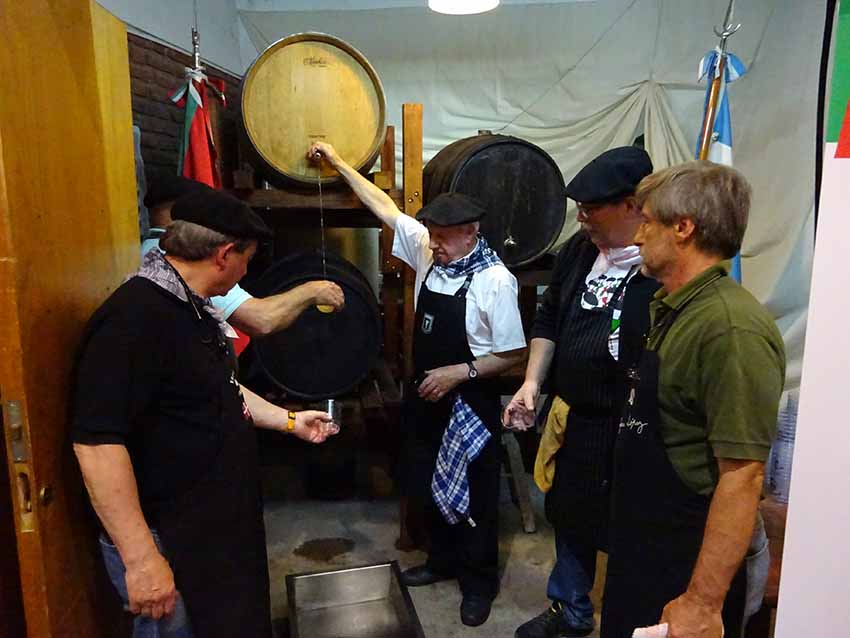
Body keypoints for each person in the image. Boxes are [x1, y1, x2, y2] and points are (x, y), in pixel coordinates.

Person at [71, 189, 340, 638]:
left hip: (208, 530)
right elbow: (97, 443)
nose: (245, 272)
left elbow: (218, 390)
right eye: (247, 260)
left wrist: (290, 421)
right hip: (168, 541)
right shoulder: (134, 319)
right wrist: (141, 561)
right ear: (224, 255)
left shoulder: (192, 307)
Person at [307, 141, 526, 627]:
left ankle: (479, 582)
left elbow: (513, 353)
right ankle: (442, 562)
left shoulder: (495, 281)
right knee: (428, 481)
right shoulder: (433, 255)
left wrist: (459, 373)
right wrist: (342, 164)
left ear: (471, 233)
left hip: (468, 399)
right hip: (426, 395)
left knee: (475, 495)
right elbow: (385, 208)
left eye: (444, 237)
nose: (433, 245)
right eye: (431, 236)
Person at [600, 162, 785, 638]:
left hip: (682, 561)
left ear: (683, 228)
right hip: (645, 547)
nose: (638, 236)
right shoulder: (673, 308)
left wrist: (702, 603)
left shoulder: (729, 328)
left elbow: (742, 477)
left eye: (647, 221)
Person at [506, 147, 658, 638]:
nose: (582, 217)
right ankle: (569, 610)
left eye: (592, 209)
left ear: (633, 206)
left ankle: (624, 619)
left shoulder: (657, 267)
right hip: (573, 413)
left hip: (624, 424)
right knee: (568, 513)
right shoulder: (581, 249)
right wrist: (532, 383)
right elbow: (549, 316)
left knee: (622, 526)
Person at [142, 174, 345, 336]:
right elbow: (260, 320)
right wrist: (311, 291)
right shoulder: (182, 263)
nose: (245, 271)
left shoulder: (149, 252)